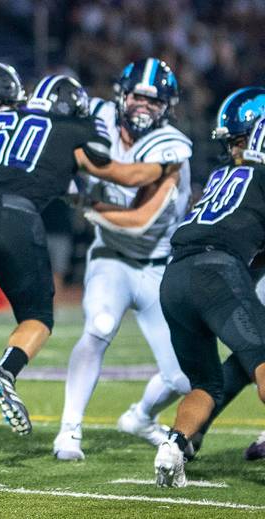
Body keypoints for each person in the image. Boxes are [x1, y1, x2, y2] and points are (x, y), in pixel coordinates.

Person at [0, 73, 177, 467]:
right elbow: (124, 175)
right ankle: (5, 372)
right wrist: (168, 167)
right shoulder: (74, 129)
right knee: (39, 317)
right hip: (14, 216)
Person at [54, 59, 193, 461]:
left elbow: (138, 217)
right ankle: (69, 430)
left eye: (154, 100)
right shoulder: (96, 115)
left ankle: (141, 416)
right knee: (99, 326)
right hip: (111, 258)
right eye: (137, 96)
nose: (144, 106)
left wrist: (85, 200)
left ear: (168, 105)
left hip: (157, 262)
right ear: (121, 94)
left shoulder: (173, 145)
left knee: (183, 377)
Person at [154, 111, 265, 488]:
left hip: (173, 277)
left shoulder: (223, 176)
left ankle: (173, 445)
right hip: (218, 270)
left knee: (205, 384)